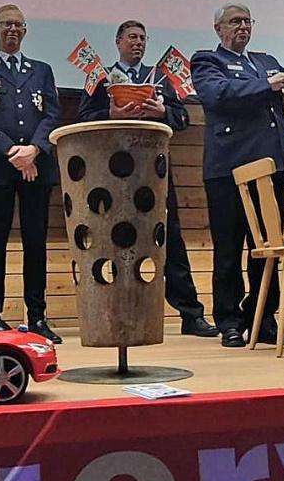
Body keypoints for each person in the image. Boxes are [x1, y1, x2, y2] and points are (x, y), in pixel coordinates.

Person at [77, 20, 218, 338]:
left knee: (171, 241)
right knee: (112, 242)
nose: (138, 43)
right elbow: (84, 118)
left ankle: (190, 314)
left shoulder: (161, 79)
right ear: (118, 42)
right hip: (111, 174)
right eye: (131, 38)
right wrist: (110, 115)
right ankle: (115, 313)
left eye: (142, 38)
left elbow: (182, 119)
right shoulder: (100, 77)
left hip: (154, 172)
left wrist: (161, 112)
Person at [191, 3, 284, 348]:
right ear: (218, 28)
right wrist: (267, 85)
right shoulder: (208, 61)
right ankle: (230, 321)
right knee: (230, 249)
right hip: (229, 170)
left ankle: (263, 316)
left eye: (248, 21)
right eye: (235, 22)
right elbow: (217, 95)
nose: (243, 27)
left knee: (266, 249)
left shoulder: (266, 61)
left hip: (271, 167)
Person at [0, 4, 62, 343]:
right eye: (5, 24)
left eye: (18, 25)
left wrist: (34, 150)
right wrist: (11, 151)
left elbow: (52, 115)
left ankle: (37, 316)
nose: (12, 30)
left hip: (37, 167)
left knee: (36, 243)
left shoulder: (42, 70)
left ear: (25, 31)